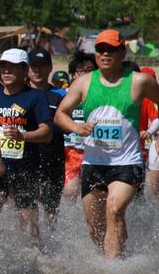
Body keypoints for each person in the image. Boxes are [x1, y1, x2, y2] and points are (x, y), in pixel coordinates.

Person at [54, 29, 159, 258]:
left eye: (111, 49)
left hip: (127, 162)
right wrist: (77, 128)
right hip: (94, 162)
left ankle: (115, 270)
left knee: (114, 210)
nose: (105, 53)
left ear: (122, 52)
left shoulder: (140, 81)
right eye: (100, 49)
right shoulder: (83, 83)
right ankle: (113, 258)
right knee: (95, 227)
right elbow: (61, 114)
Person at [0, 49, 53, 243]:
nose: (6, 70)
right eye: (3, 66)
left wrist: (24, 136)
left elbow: (47, 132)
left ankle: (36, 258)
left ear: (25, 70)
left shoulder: (35, 97)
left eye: (12, 67)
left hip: (25, 168)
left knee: (29, 228)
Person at [26, 48, 68, 225]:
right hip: (26, 160)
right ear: (27, 68)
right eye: (33, 66)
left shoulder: (60, 95)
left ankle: (50, 248)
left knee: (51, 211)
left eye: (42, 66)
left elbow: (68, 125)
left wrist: (47, 126)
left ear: (50, 68)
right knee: (28, 210)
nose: (37, 70)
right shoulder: (20, 95)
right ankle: (32, 246)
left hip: (53, 159)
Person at [61, 52, 96, 196]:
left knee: (94, 193)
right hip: (71, 151)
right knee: (70, 192)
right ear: (73, 74)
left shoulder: (102, 95)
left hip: (95, 150)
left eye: (89, 70)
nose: (86, 74)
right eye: (81, 71)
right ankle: (72, 219)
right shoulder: (63, 95)